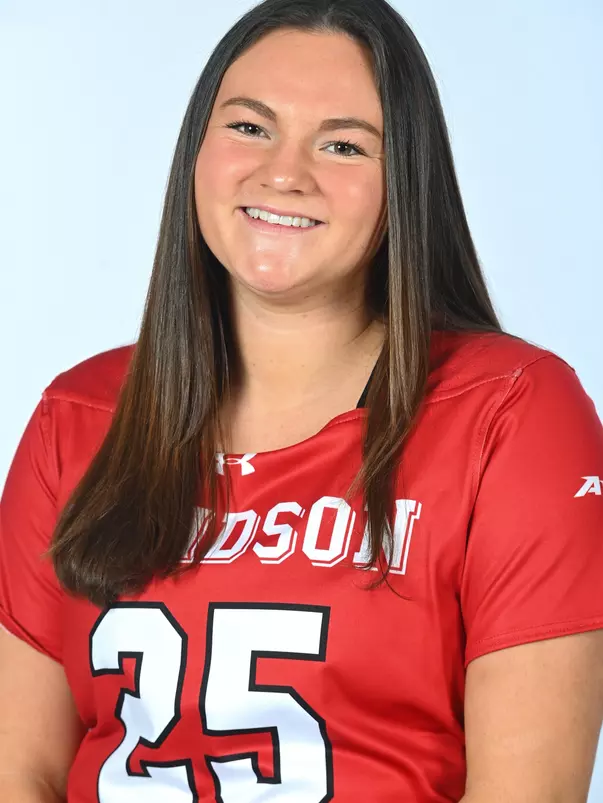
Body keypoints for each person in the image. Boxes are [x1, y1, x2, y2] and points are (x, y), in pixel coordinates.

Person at [1, 0, 603, 800]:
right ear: (196, 152)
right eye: (249, 128)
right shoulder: (79, 417)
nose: (284, 172)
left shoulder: (512, 412)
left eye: (343, 144)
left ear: (404, 186)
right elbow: (21, 770)